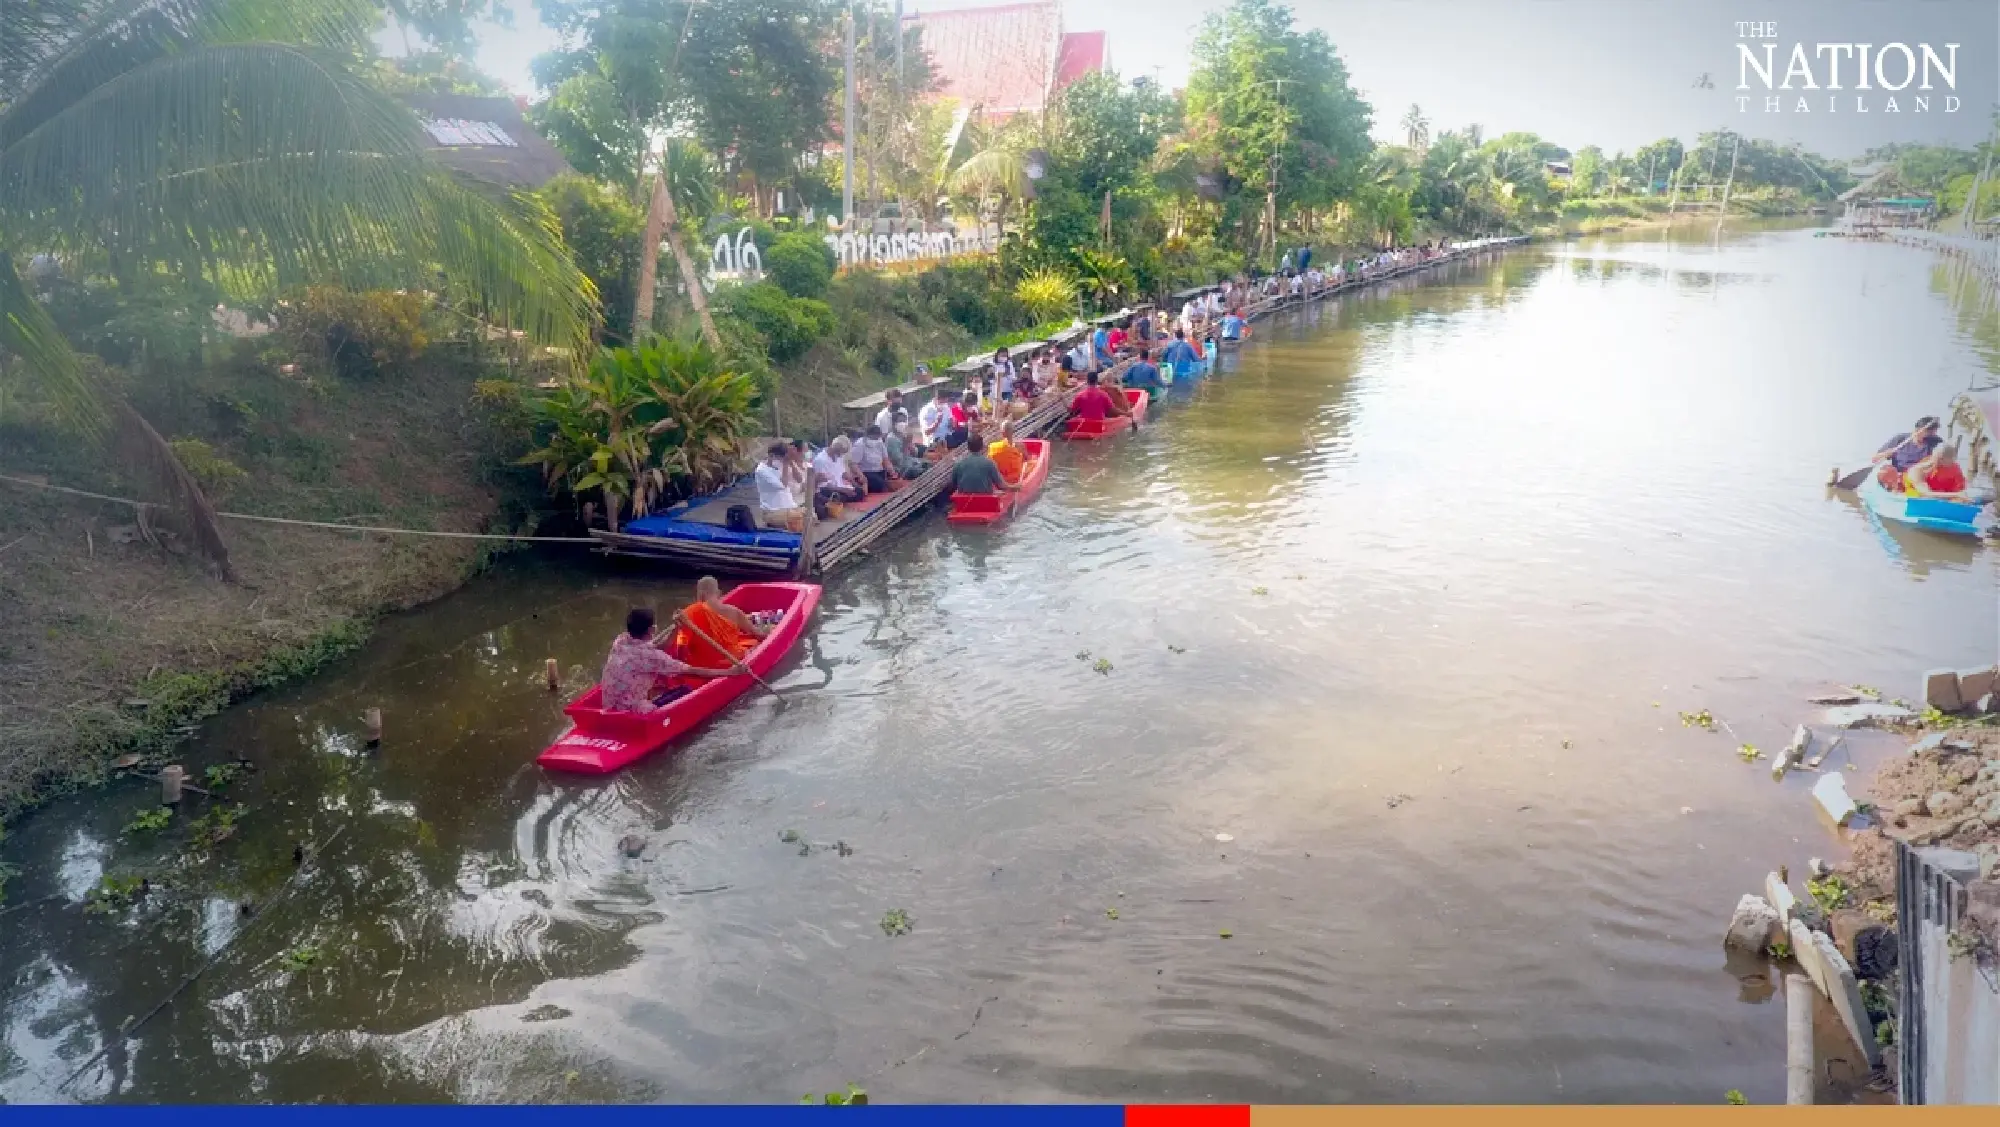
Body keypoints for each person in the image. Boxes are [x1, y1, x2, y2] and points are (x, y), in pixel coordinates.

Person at [600, 607, 735, 715]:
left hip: (609, 706)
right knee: (686, 690)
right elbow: (692, 671)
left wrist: (677, 628)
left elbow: (658, 647)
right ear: (651, 630)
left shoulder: (621, 641)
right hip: (631, 712)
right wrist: (729, 672)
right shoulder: (652, 656)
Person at [674, 576, 771, 672]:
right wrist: (769, 631)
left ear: (700, 595)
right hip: (733, 661)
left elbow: (681, 649)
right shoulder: (734, 612)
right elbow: (759, 635)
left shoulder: (689, 613)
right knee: (754, 644)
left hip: (703, 668)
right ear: (719, 593)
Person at [1872, 416, 1944, 490]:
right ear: (1918, 430)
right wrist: (1886, 453)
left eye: (1933, 433)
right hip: (1901, 478)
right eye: (1929, 432)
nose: (1932, 435)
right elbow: (1874, 459)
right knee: (1886, 471)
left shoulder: (1932, 442)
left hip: (1920, 477)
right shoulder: (1900, 439)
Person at [753, 442, 804, 532]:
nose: (781, 461)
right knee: (798, 519)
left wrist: (791, 463)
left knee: (811, 515)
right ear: (772, 456)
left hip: (790, 507)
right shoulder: (761, 470)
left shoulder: (782, 462)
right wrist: (785, 465)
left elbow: (799, 479)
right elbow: (783, 485)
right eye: (781, 459)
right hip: (773, 511)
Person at [952, 438, 1020, 498]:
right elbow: (1001, 485)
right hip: (985, 501)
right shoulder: (989, 463)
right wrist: (1014, 487)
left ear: (968, 448)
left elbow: (954, 485)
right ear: (982, 447)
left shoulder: (958, 464)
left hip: (963, 501)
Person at [814, 436, 866, 503]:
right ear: (836, 449)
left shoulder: (838, 457)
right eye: (841, 452)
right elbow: (823, 486)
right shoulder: (820, 460)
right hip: (827, 489)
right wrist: (844, 490)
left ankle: (841, 498)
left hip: (839, 487)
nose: (841, 455)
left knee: (859, 492)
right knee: (839, 497)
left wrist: (854, 484)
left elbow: (843, 473)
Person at [853, 425, 893, 493]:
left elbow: (885, 458)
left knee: (891, 483)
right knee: (880, 485)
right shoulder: (860, 444)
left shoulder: (880, 443)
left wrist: (890, 468)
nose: (876, 439)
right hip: (866, 472)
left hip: (879, 470)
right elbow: (854, 463)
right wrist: (861, 476)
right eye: (874, 437)